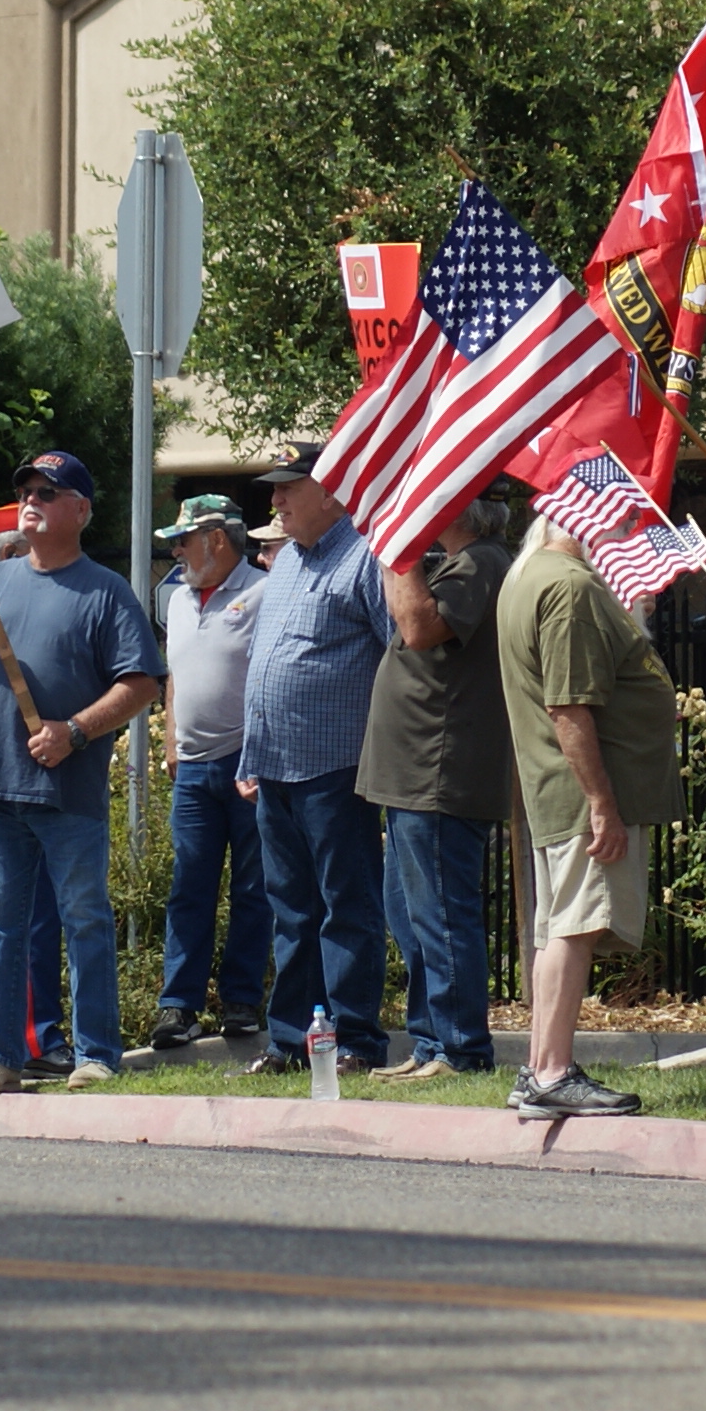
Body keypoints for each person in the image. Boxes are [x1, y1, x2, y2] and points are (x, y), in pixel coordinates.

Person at [0, 447, 164, 1093]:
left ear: (80, 510)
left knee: (85, 917)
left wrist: (77, 730)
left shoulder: (106, 592)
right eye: (27, 489)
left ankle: (96, 1054)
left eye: (48, 491)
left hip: (68, 790)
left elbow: (143, 683)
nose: (32, 498)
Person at [494, 512, 685, 1117]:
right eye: (626, 522)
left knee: (560, 931)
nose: (632, 534)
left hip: (562, 792)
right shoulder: (570, 587)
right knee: (575, 928)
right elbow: (569, 707)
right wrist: (602, 801)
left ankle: (539, 1070)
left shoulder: (535, 574)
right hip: (584, 797)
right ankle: (551, 1072)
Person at [238, 442, 398, 1076]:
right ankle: (292, 1040)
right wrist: (250, 755)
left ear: (332, 492)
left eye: (287, 487)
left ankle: (356, 1038)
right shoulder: (285, 566)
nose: (274, 499)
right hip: (274, 767)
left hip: (335, 766)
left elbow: (401, 658)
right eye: (273, 488)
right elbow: (266, 664)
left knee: (345, 906)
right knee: (291, 910)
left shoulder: (365, 560)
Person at [363, 489, 521, 1081]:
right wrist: (398, 551)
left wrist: (396, 547)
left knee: (442, 915)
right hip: (412, 773)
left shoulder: (481, 560)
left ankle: (461, 1047)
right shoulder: (456, 563)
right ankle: (431, 1042)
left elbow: (421, 625)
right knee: (410, 916)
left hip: (438, 770)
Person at [149, 492, 266, 1054]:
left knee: (253, 888)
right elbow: (173, 675)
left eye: (182, 540)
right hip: (192, 767)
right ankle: (180, 1005)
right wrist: (170, 737)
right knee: (188, 888)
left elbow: (271, 676)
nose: (175, 551)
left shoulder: (264, 590)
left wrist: (263, 754)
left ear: (216, 538)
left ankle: (241, 1001)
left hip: (245, 762)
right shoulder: (174, 598)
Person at [0, 504, 69, 1078]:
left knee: (39, 912)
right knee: (4, 914)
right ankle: (9, 1040)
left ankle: (31, 1035)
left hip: (37, 760)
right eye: (8, 556)